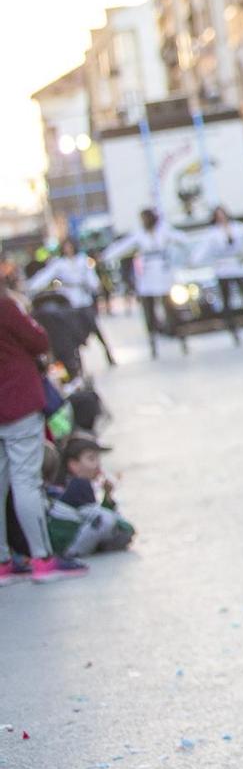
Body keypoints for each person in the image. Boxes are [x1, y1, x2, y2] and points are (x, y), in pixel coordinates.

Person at [0, 270, 82, 583]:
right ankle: (42, 559)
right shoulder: (6, 307)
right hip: (16, 402)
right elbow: (38, 340)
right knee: (25, 480)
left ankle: (3, 563)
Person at [98, 208, 181, 359]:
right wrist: (105, 256)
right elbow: (122, 247)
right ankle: (153, 341)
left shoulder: (164, 231)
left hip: (163, 275)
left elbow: (181, 239)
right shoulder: (139, 235)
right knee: (149, 312)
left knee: (171, 308)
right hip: (147, 278)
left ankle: (178, 335)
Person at [25, 238, 112, 368]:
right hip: (69, 302)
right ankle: (79, 363)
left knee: (94, 327)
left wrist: (96, 285)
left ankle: (108, 353)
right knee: (73, 332)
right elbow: (45, 276)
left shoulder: (82, 260)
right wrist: (30, 286)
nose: (68, 249)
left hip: (84, 300)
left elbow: (90, 276)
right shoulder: (60, 263)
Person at [46, 433, 131, 558]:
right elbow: (102, 519)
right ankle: (74, 553)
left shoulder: (73, 484)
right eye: (91, 459)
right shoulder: (79, 485)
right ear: (73, 464)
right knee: (114, 525)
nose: (97, 465)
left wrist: (107, 495)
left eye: (98, 459)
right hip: (64, 545)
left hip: (64, 540)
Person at [197, 207, 243, 345]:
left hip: (237, 266)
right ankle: (233, 328)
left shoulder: (237, 227)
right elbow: (204, 250)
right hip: (223, 269)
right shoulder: (213, 233)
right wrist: (193, 261)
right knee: (227, 301)